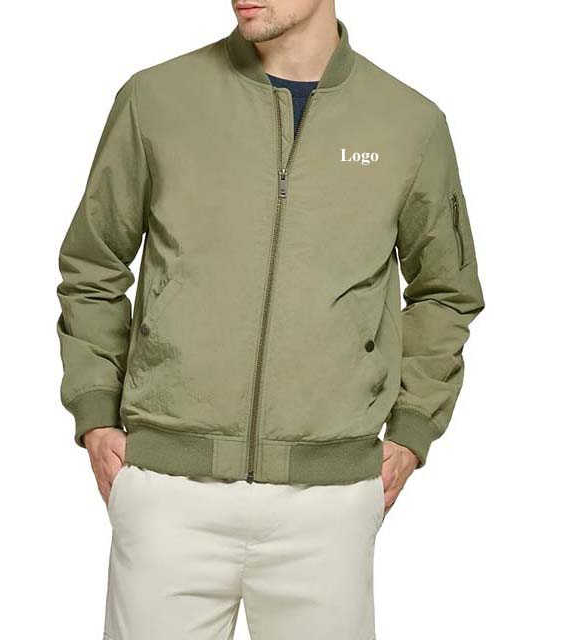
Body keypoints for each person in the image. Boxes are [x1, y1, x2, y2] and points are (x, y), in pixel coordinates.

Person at [57, 1, 484, 638]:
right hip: (167, 490)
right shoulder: (157, 99)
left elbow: (445, 291)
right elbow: (93, 265)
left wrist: (413, 427)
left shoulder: (408, 123)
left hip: (329, 502)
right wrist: (95, 413)